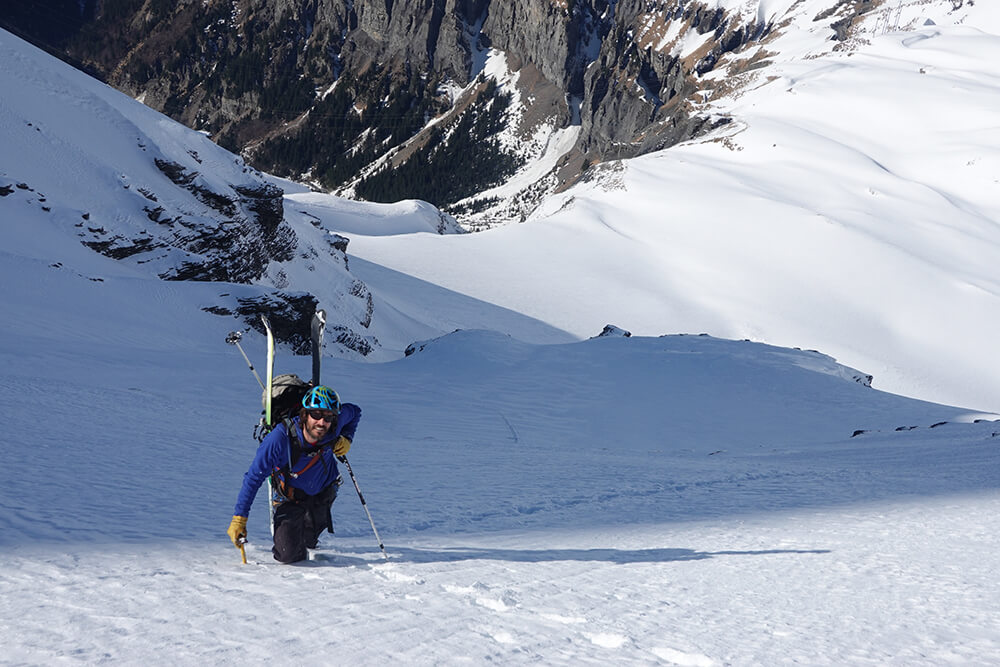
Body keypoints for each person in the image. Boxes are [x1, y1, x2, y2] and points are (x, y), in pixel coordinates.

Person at [227, 385, 361, 563]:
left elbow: (354, 411)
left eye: (328, 416)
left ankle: (308, 533)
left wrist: (347, 438)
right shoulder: (280, 439)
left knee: (309, 540)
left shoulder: (333, 428)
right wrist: (239, 518)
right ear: (305, 414)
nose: (321, 422)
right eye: (316, 414)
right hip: (291, 496)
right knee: (287, 554)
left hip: (323, 491)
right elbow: (253, 477)